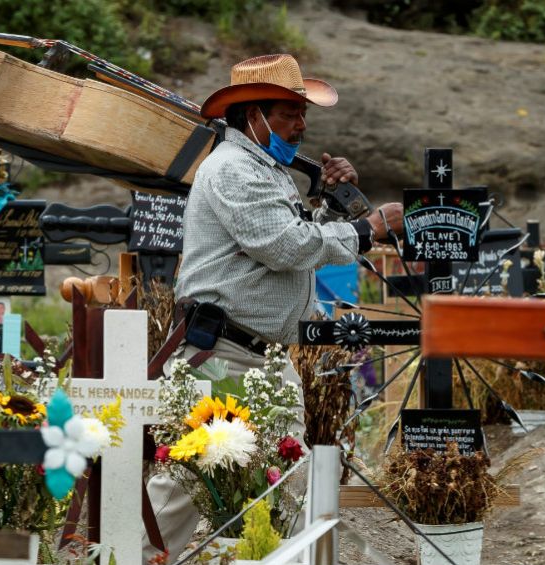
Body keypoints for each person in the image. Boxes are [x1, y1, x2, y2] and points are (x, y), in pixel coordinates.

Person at [142, 53, 404, 563]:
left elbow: (288, 244)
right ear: (252, 116)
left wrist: (328, 203)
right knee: (194, 486)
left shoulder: (264, 170)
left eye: (301, 113)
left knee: (273, 477)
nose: (301, 125)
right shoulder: (235, 169)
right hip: (222, 353)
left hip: (251, 353)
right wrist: (362, 230)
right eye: (288, 113)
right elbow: (286, 246)